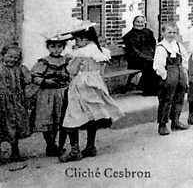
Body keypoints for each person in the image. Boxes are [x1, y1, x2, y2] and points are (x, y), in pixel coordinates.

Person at [60, 22, 124, 163]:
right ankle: (90, 146)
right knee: (92, 116)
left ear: (85, 39)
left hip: (81, 85)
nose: (76, 43)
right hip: (95, 84)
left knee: (72, 116)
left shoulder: (81, 54)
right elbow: (101, 71)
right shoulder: (101, 52)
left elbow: (71, 70)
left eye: (77, 40)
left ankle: (75, 151)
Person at [30, 33, 72, 156]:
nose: (56, 49)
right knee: (47, 119)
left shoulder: (67, 60)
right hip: (47, 94)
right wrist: (45, 81)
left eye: (59, 46)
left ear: (63, 47)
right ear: (48, 47)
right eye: (53, 46)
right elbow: (34, 76)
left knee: (62, 120)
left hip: (63, 93)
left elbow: (72, 73)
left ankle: (60, 146)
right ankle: (50, 144)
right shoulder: (44, 62)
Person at [153, 22, 190, 136]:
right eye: (169, 32)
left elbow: (185, 58)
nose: (172, 35)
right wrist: (165, 76)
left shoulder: (178, 45)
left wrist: (184, 72)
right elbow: (158, 65)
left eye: (174, 32)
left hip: (180, 73)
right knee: (166, 100)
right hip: (169, 75)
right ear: (163, 32)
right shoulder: (161, 47)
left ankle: (175, 121)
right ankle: (162, 124)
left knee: (179, 98)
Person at [0, 42, 35, 163]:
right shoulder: (0, 68)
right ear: (3, 55)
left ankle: (15, 151)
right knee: (2, 125)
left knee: (15, 126)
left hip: (16, 102)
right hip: (2, 102)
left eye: (16, 57)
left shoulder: (20, 69)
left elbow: (28, 81)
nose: (12, 59)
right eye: (9, 56)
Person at [122, 15, 159, 96]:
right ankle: (149, 90)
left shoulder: (148, 32)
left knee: (159, 63)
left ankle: (157, 87)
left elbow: (153, 45)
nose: (140, 24)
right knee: (150, 65)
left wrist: (155, 56)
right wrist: (149, 58)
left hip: (148, 58)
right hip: (135, 61)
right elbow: (135, 52)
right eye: (138, 22)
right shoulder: (129, 36)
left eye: (142, 22)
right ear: (133, 23)